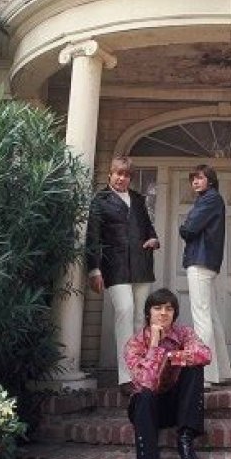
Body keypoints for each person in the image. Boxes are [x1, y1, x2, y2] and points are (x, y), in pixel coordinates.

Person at [124, 288, 211, 459]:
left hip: (175, 406)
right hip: (147, 408)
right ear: (148, 313)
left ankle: (185, 437)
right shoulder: (135, 343)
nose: (163, 313)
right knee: (143, 396)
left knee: (194, 368)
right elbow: (146, 382)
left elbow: (205, 354)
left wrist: (171, 357)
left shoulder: (184, 333)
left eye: (169, 308)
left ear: (174, 313)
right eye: (157, 308)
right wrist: (155, 346)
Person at [86, 155, 160, 396]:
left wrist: (153, 239)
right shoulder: (100, 200)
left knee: (140, 318)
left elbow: (148, 227)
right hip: (115, 266)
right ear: (110, 174)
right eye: (118, 173)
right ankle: (126, 377)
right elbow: (93, 236)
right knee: (125, 311)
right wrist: (94, 269)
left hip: (141, 264)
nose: (122, 178)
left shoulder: (138, 199)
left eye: (126, 175)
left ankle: (140, 373)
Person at [179, 164, 231, 389]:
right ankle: (221, 371)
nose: (195, 181)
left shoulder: (209, 199)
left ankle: (204, 374)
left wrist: (184, 226)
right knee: (210, 316)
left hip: (200, 260)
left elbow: (189, 229)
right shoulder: (211, 199)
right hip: (206, 261)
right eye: (193, 178)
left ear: (210, 180)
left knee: (202, 316)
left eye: (200, 178)